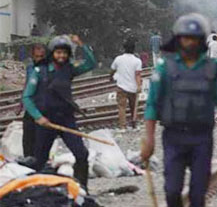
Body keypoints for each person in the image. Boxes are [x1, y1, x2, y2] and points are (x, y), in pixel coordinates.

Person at [140, 13, 217, 207]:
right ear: (178, 39)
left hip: (202, 138)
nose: (189, 43)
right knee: (171, 191)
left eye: (194, 38)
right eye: (185, 38)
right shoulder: (165, 68)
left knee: (198, 195)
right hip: (172, 138)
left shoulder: (212, 68)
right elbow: (151, 105)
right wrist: (148, 139)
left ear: (200, 40)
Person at [23, 35, 95, 189]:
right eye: (58, 53)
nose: (61, 56)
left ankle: (82, 189)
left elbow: (90, 64)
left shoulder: (70, 70)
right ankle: (37, 191)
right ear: (52, 53)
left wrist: (81, 45)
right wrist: (38, 117)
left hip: (66, 120)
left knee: (82, 154)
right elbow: (27, 97)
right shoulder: (39, 71)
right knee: (39, 160)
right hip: (46, 122)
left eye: (64, 53)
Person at [14, 44, 47, 158]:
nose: (39, 59)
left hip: (43, 107)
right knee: (28, 135)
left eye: (41, 56)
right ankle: (28, 158)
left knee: (41, 136)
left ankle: (39, 160)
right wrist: (20, 104)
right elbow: (27, 85)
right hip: (30, 106)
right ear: (33, 56)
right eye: (36, 56)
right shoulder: (30, 68)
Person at [111, 40, 143, 129]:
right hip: (133, 88)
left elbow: (112, 70)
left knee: (122, 107)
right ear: (134, 49)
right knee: (133, 107)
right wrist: (139, 86)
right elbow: (138, 75)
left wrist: (111, 77)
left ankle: (122, 127)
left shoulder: (118, 59)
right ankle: (134, 125)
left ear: (124, 48)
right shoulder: (137, 61)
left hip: (121, 87)